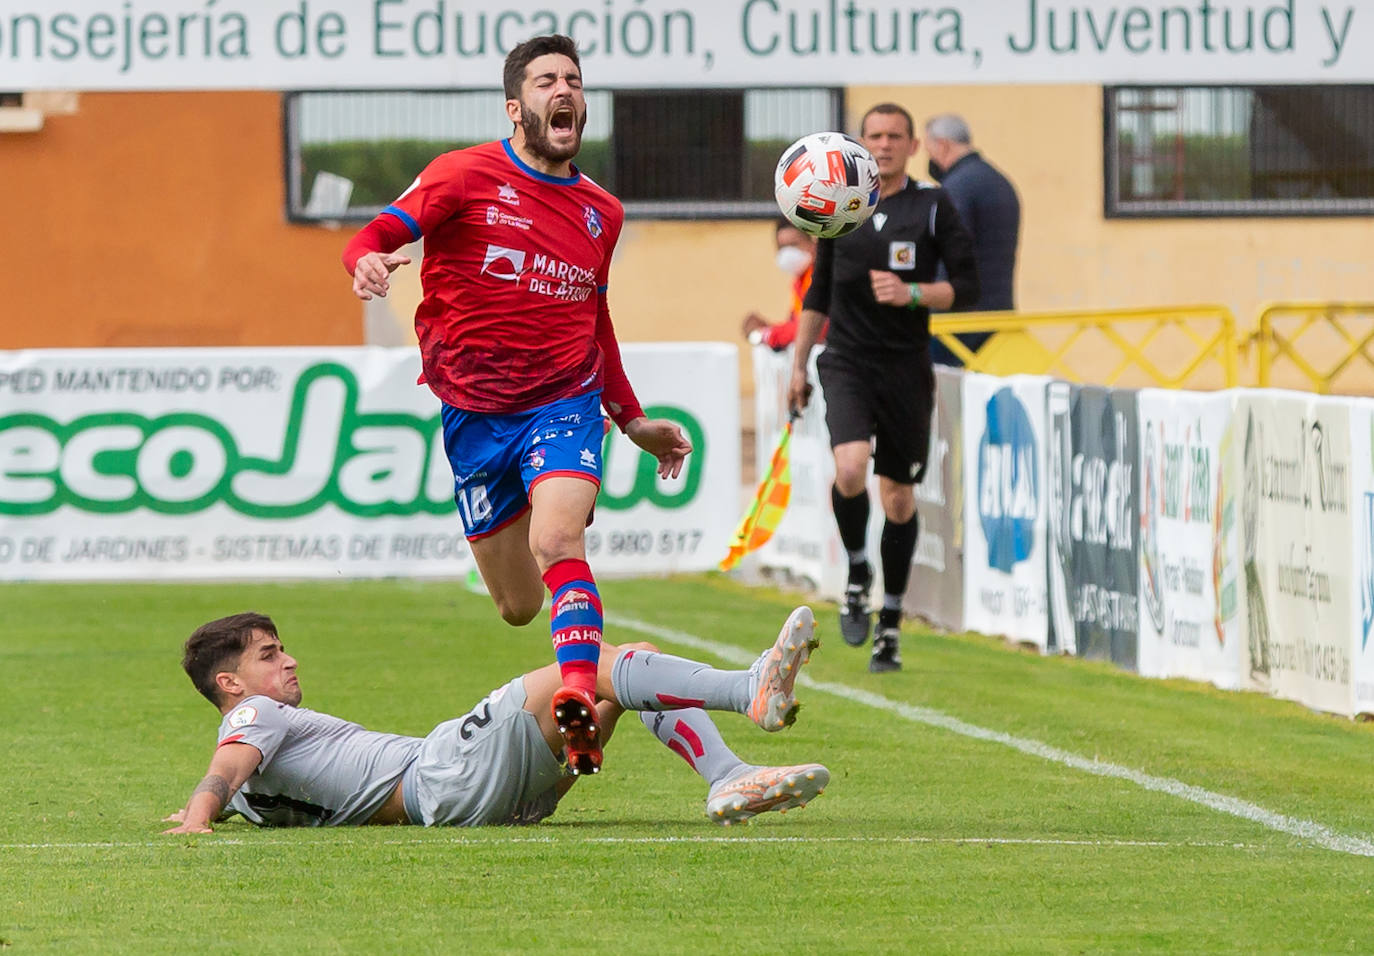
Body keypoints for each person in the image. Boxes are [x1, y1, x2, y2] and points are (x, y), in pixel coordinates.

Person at [340, 35, 692, 776]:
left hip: (564, 400)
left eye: (572, 79)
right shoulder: (462, 174)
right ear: (516, 106)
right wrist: (365, 259)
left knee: (560, 539)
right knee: (518, 606)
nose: (563, 90)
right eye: (545, 81)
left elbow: (596, 320)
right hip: (471, 412)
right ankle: (570, 674)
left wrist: (630, 420)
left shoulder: (602, 211)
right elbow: (379, 232)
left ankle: (576, 700)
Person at [163, 608, 826, 832]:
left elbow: (235, 784)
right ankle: (750, 691)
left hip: (498, 807)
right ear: (230, 684)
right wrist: (197, 814)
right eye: (269, 654)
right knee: (592, 657)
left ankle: (726, 777)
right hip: (444, 771)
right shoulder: (254, 715)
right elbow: (226, 766)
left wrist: (209, 809)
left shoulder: (254, 795)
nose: (290, 661)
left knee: (628, 675)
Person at [787, 103, 980, 673]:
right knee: (849, 469)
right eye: (875, 136)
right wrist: (798, 365)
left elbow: (968, 287)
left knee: (897, 499)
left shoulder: (935, 206)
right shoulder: (840, 206)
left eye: (896, 136)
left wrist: (914, 294)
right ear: (860, 146)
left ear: (914, 145)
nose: (886, 144)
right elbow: (816, 294)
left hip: (904, 369)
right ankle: (855, 570)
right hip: (845, 361)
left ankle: (890, 622)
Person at [922, 114, 1021, 367]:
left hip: (958, 324)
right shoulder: (1000, 182)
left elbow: (950, 257)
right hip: (998, 318)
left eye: (929, 149)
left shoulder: (956, 187)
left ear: (942, 145)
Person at [740, 218, 825, 352]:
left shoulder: (822, 278)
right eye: (782, 247)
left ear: (813, 245)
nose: (787, 253)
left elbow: (817, 328)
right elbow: (796, 326)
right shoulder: (800, 282)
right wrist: (767, 328)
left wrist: (766, 334)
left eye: (793, 244)